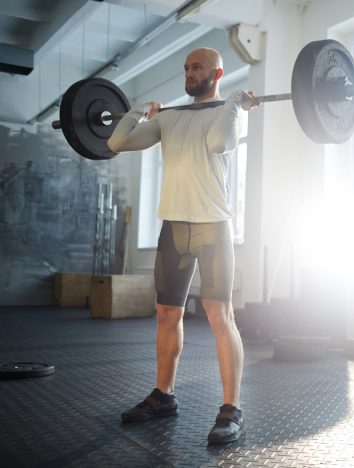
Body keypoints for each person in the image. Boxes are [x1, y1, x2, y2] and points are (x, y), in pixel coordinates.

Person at [107, 47, 258, 444]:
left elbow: (219, 144)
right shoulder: (170, 118)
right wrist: (139, 109)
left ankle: (231, 409)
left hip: (212, 225)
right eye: (187, 67)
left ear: (217, 72)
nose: (190, 73)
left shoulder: (229, 114)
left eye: (198, 67)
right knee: (165, 313)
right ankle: (164, 395)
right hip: (173, 225)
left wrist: (235, 103)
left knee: (218, 313)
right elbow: (117, 142)